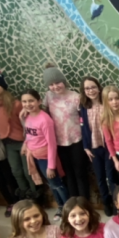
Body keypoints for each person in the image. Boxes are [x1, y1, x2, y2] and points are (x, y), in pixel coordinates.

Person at [0, 69, 39, 200]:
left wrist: (28, 142)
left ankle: (36, 198)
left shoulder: (17, 104)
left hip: (23, 143)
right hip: (7, 144)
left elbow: (28, 123)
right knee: (16, 172)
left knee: (28, 172)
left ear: (2, 85)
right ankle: (25, 197)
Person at [42, 63, 89, 200]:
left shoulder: (75, 96)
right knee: (67, 173)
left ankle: (84, 201)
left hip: (76, 140)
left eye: (58, 83)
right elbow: (41, 113)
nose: (55, 87)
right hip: (59, 142)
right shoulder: (48, 96)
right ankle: (73, 202)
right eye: (51, 84)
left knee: (80, 172)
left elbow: (83, 119)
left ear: (63, 82)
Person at [21, 89, 69, 215]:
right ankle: (60, 206)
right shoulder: (28, 116)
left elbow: (52, 144)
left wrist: (51, 166)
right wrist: (25, 144)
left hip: (46, 158)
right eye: (24, 101)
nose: (28, 104)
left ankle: (67, 209)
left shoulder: (45, 120)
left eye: (31, 100)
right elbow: (29, 134)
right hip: (35, 155)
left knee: (57, 184)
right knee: (50, 184)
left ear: (39, 101)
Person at [80, 76, 116, 216]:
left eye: (93, 87)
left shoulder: (107, 103)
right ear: (84, 91)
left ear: (99, 88)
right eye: (87, 88)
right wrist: (85, 146)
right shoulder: (83, 107)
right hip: (94, 147)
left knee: (111, 176)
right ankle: (106, 203)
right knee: (100, 177)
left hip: (109, 146)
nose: (91, 90)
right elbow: (82, 127)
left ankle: (116, 203)